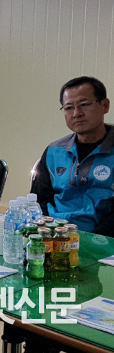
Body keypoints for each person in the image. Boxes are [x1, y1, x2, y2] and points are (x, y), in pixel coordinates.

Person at [31, 76, 114, 236]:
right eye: (69, 107)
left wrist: (91, 241)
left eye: (84, 104)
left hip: (101, 240)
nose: (76, 113)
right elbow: (39, 200)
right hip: (54, 235)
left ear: (105, 105)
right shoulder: (54, 151)